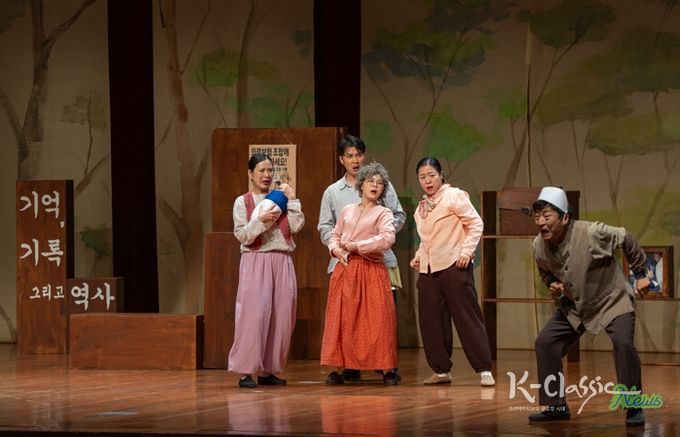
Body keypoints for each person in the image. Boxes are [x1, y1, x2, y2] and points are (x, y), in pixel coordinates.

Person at [528, 186, 649, 427]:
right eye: (537, 216)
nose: (541, 222)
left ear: (564, 217)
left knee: (623, 344)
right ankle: (555, 406)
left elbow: (625, 237)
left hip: (611, 299)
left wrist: (640, 274)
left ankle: (633, 406)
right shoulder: (538, 245)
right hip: (576, 306)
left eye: (547, 216)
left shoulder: (591, 233)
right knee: (546, 343)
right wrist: (551, 282)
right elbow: (544, 269)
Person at [318, 134, 406, 381]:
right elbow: (328, 228)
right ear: (341, 159)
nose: (355, 160)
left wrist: (365, 243)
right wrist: (336, 248)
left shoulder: (382, 195)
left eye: (359, 155)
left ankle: (384, 364)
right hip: (345, 263)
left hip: (377, 261)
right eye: (350, 156)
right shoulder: (335, 194)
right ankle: (348, 365)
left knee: (379, 317)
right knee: (346, 318)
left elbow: (395, 220)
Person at [409, 157, 495, 387]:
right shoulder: (421, 207)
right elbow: (426, 240)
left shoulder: (453, 196)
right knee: (431, 320)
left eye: (431, 175)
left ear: (440, 175)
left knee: (467, 317)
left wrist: (467, 251)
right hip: (429, 269)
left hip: (454, 265)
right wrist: (419, 256)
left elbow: (475, 223)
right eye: (422, 177)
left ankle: (484, 368)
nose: (427, 181)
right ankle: (441, 370)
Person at [228, 153, 305, 388]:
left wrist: (293, 200)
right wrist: (260, 220)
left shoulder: (280, 198)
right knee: (254, 315)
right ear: (250, 174)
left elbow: (296, 226)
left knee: (282, 316)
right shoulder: (243, 202)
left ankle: (268, 370)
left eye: (270, 170)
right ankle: (246, 371)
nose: (266, 175)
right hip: (256, 260)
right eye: (261, 170)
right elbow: (242, 235)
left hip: (282, 260)